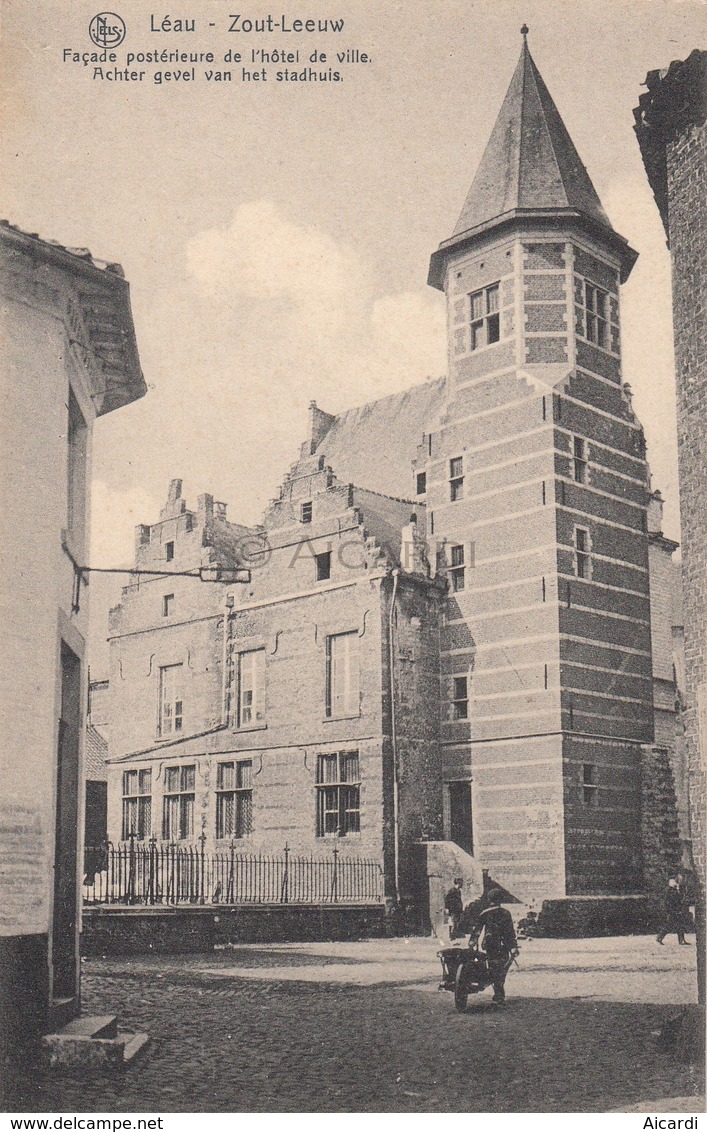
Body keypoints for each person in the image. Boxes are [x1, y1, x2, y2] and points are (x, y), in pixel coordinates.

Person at [469, 888, 519, 1003]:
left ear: (489, 900)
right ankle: (499, 993)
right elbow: (510, 932)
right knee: (502, 968)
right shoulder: (506, 913)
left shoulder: (484, 913)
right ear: (500, 900)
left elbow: (477, 930)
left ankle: (498, 993)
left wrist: (472, 942)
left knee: (493, 966)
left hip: (490, 945)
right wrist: (513, 946)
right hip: (503, 945)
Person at [656, 877, 689, 945]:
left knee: (678, 925)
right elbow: (672, 902)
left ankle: (681, 940)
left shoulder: (673, 890)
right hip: (674, 911)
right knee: (671, 925)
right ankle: (660, 937)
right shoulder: (671, 891)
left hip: (675, 911)